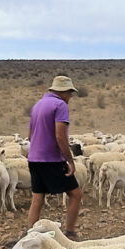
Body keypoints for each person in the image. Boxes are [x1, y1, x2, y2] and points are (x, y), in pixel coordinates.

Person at [26, 75, 83, 236]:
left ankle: (30, 236)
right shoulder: (60, 105)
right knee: (76, 194)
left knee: (37, 199)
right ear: (63, 91)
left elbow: (30, 136)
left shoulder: (38, 105)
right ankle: (70, 232)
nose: (71, 97)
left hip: (34, 159)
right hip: (51, 160)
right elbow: (60, 135)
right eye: (70, 93)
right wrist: (69, 160)